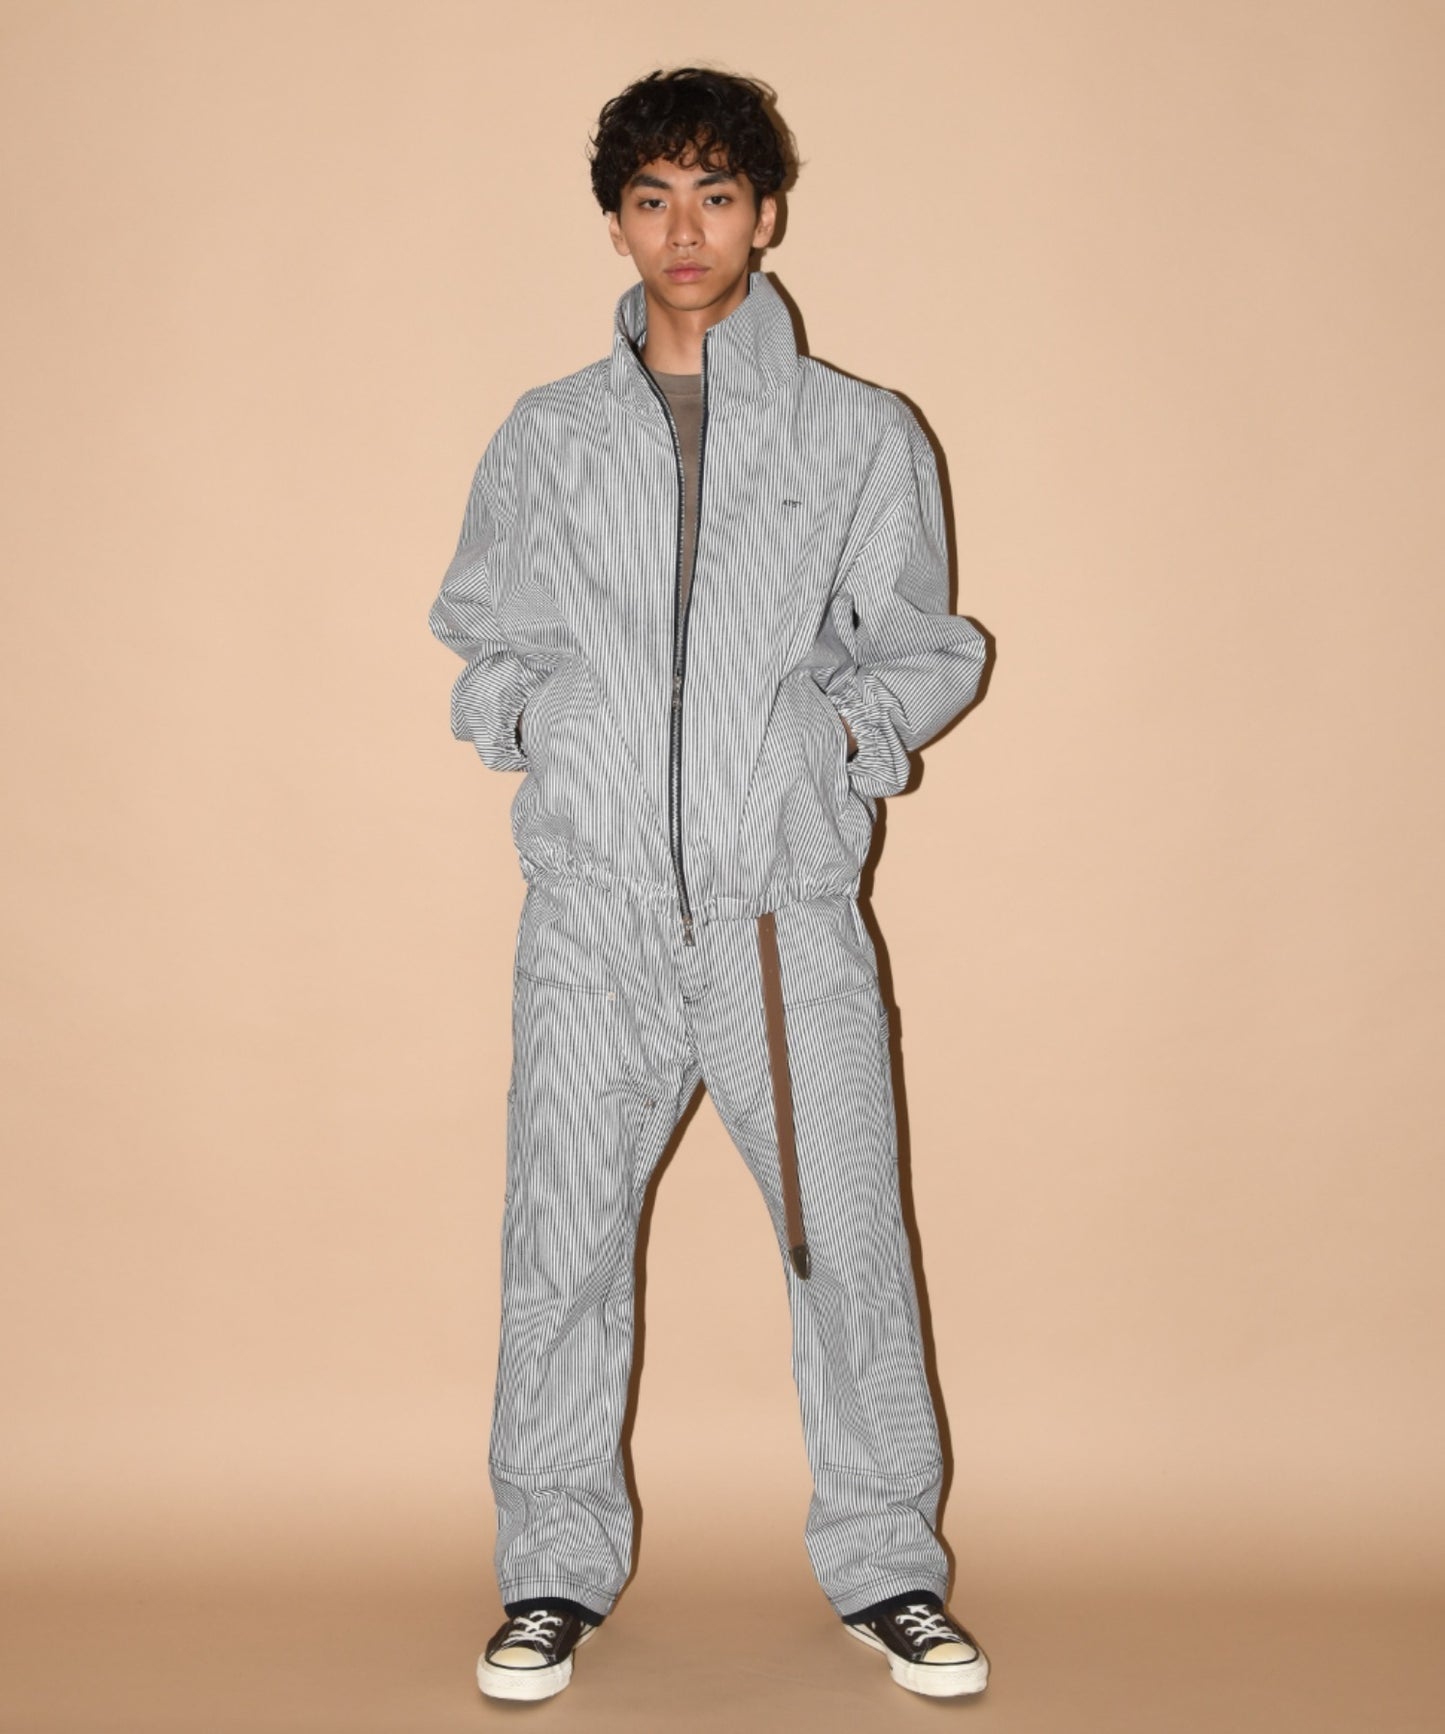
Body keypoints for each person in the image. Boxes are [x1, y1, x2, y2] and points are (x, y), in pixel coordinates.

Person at [427, 65, 991, 1704]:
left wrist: (832, 741)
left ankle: (889, 1567)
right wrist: (538, 718)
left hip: (777, 918)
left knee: (849, 1247)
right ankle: (549, 1572)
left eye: (717, 195)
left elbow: (923, 646)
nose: (686, 228)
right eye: (654, 198)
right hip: (590, 918)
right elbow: (479, 633)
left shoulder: (856, 433)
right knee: (560, 1251)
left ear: (765, 213)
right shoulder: (545, 436)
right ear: (616, 222)